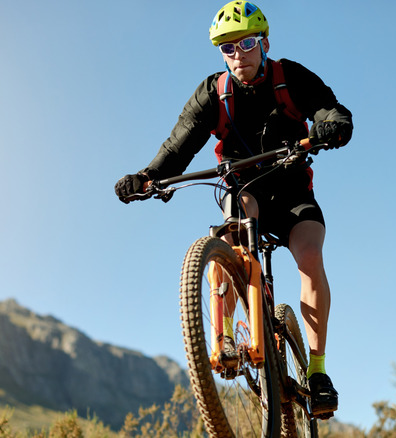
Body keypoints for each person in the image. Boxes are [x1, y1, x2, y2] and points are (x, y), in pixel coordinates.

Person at [114, 0, 352, 418]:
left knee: (310, 255)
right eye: (227, 48)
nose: (238, 54)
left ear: (264, 42)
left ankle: (317, 372)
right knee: (230, 234)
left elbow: (330, 109)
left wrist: (332, 124)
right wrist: (148, 176)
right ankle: (224, 338)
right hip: (244, 185)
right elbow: (179, 144)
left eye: (246, 43)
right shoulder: (213, 92)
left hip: (292, 187)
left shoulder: (290, 77)